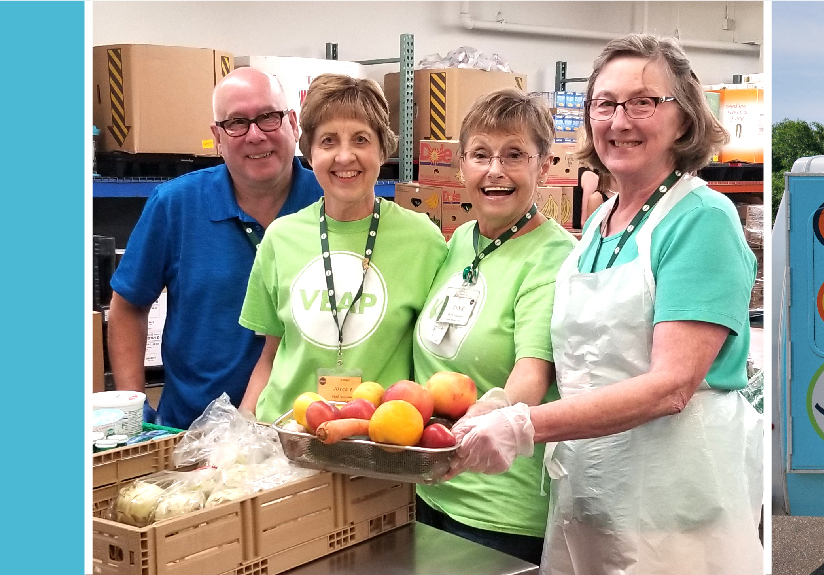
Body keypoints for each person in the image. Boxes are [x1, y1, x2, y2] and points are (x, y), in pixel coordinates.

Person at [450, 35, 763, 574]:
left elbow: (672, 386)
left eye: (643, 102)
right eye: (605, 103)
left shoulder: (701, 220)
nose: (620, 120)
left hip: (676, 502)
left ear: (684, 118)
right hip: (592, 496)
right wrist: (501, 403)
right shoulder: (600, 223)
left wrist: (524, 425)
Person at [408, 89, 577, 565]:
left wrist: (494, 409)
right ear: (462, 165)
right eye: (481, 154)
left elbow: (533, 372)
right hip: (432, 489)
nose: (495, 170)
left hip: (500, 511)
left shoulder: (552, 257)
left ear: (544, 166)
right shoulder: (462, 239)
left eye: (514, 155)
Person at [107, 68, 323, 430]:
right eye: (236, 122)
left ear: (292, 123)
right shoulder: (174, 206)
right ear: (217, 137)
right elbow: (128, 307)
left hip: (305, 432)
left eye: (268, 117)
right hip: (191, 434)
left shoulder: (328, 203)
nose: (255, 135)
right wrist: (136, 411)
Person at [238, 74, 445, 422]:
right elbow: (271, 356)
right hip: (288, 438)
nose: (344, 156)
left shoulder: (423, 241)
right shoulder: (280, 238)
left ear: (383, 149)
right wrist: (242, 428)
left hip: (381, 444)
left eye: (361, 140)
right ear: (310, 152)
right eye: (328, 141)